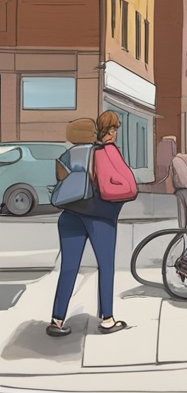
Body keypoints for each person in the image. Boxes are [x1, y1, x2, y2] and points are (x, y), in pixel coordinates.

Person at [48, 112, 135, 337]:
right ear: (107, 131)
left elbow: (61, 181)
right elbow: (127, 185)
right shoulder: (107, 152)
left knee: (68, 267)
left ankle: (57, 321)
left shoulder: (69, 154)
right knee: (105, 267)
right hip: (100, 217)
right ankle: (107, 319)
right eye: (113, 129)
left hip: (69, 215)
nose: (115, 133)